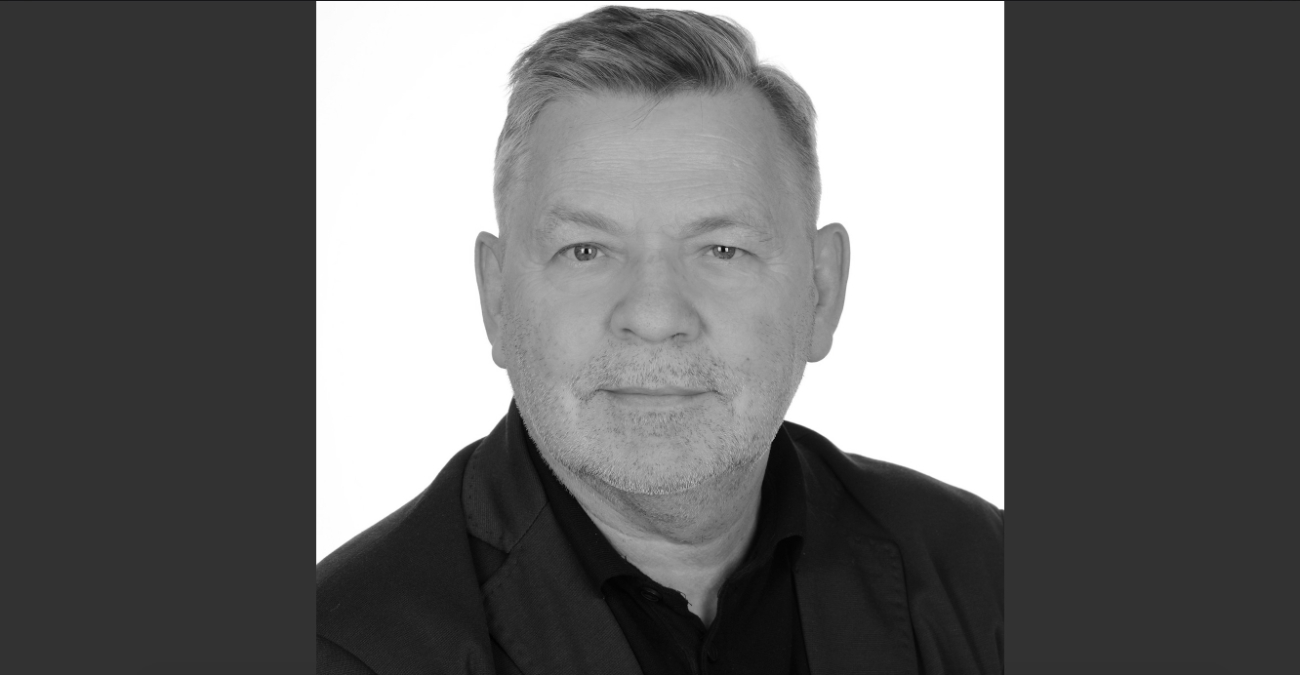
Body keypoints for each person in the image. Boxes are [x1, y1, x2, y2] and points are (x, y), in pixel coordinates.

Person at [316, 6, 1002, 674]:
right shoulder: (341, 650)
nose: (653, 315)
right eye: (586, 250)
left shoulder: (990, 578)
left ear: (822, 289)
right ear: (496, 298)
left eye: (722, 249)